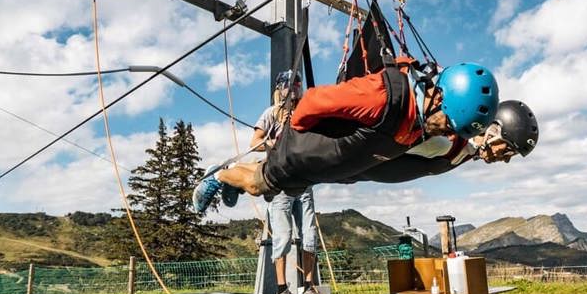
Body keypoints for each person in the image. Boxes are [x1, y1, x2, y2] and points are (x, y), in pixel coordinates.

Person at [193, 60, 499, 211]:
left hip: (325, 166)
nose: (446, 131)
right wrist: (298, 135)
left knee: (272, 185)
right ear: (439, 97)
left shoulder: (422, 122)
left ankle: (229, 177)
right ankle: (219, 176)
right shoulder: (384, 96)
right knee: (258, 184)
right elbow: (314, 100)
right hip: (308, 149)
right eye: (448, 123)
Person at [251, 71, 320, 294]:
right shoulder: (271, 114)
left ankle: (309, 288)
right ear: (280, 88)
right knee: (284, 236)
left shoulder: (306, 113)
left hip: (304, 182)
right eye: (290, 85)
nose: (295, 89)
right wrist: (272, 144)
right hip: (280, 183)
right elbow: (254, 143)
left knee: (309, 234)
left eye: (298, 85)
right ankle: (282, 290)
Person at [353, 100, 539, 183]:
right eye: (508, 151)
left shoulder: (467, 150)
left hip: (349, 172)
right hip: (344, 164)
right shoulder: (446, 142)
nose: (505, 159)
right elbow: (380, 142)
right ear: (494, 131)